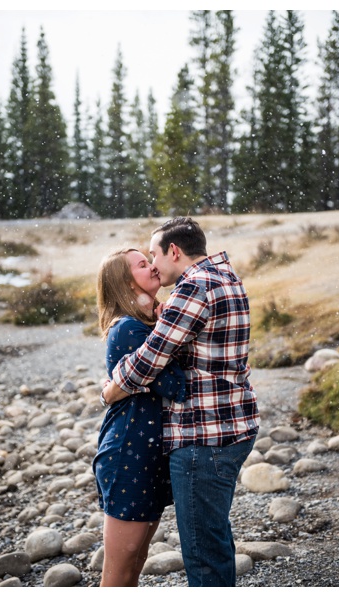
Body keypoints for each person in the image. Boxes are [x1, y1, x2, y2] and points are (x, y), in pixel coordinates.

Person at [101, 217, 260, 587]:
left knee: (204, 553)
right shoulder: (225, 277)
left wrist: (109, 389)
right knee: (212, 539)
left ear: (174, 251)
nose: (154, 265)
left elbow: (146, 365)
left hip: (204, 436)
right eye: (144, 263)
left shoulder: (193, 288)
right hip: (231, 427)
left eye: (153, 255)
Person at [93, 248, 187, 586]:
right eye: (142, 265)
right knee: (118, 572)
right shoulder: (129, 329)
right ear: (126, 283)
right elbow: (174, 385)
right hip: (129, 454)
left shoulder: (149, 325)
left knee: (136, 563)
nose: (153, 267)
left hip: (150, 452)